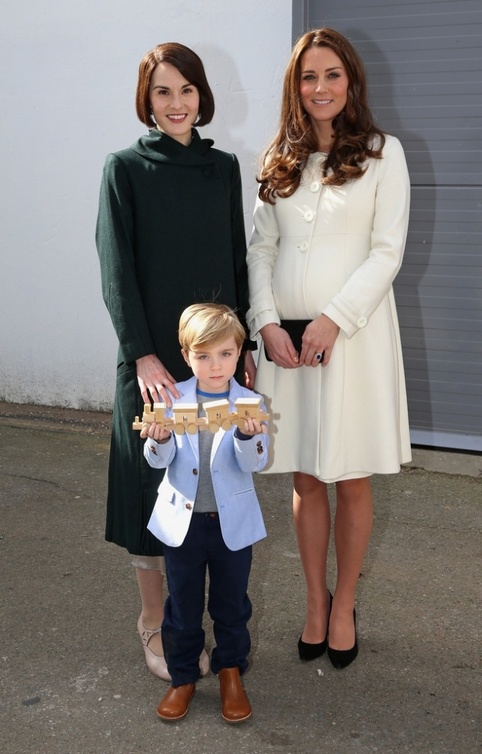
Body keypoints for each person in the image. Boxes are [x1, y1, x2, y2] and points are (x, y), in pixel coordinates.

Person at [246, 28, 411, 669]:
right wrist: (266, 323)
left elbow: (387, 252)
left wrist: (334, 319)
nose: (320, 88)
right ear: (296, 87)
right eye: (308, 77)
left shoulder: (382, 154)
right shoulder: (278, 159)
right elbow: (261, 249)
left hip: (354, 340)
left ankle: (345, 607)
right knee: (306, 475)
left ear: (351, 81)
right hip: (288, 344)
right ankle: (315, 602)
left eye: (332, 75)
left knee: (351, 475)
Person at [96, 42, 255, 682]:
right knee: (152, 484)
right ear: (147, 100)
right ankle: (152, 618)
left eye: (186, 89)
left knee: (211, 488)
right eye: (163, 91)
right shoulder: (124, 169)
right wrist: (142, 355)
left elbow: (237, 262)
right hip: (154, 361)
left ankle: (205, 625)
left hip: (213, 359)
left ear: (201, 95)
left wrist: (242, 351)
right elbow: (116, 270)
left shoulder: (223, 168)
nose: (176, 103)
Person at [140, 303, 268, 722]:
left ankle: (230, 671)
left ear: (239, 352)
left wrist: (248, 438)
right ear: (186, 355)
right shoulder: (172, 399)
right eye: (203, 355)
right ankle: (183, 677)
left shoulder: (250, 402)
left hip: (232, 525)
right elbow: (157, 461)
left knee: (232, 605)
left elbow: (257, 462)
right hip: (184, 525)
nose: (215, 366)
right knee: (182, 605)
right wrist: (159, 440)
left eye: (225, 354)